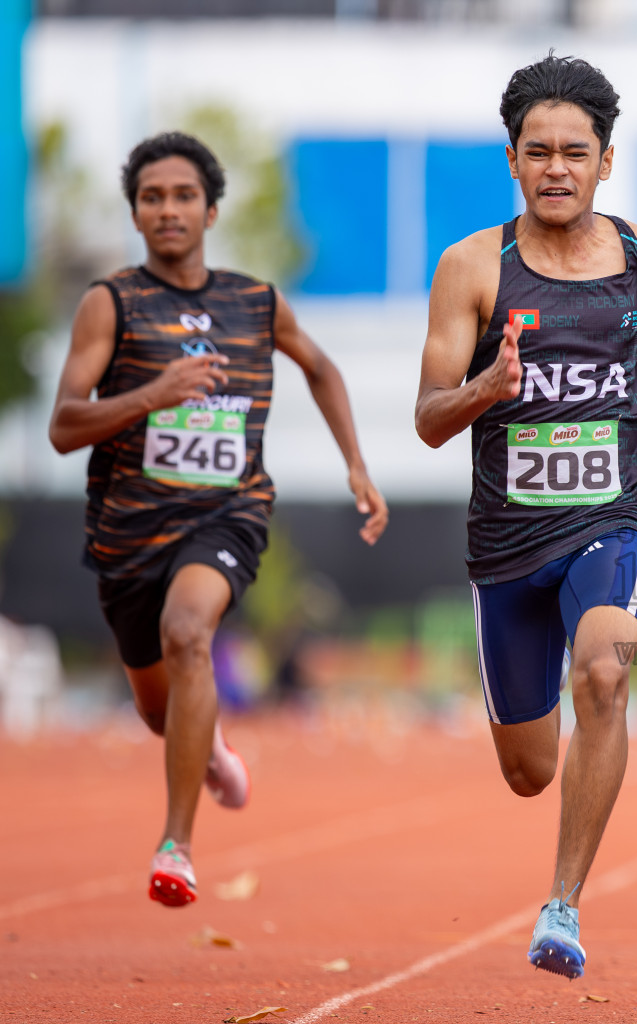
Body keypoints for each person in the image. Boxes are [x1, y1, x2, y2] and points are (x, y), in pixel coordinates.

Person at [414, 54, 637, 980]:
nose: (557, 169)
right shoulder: (472, 267)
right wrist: (487, 387)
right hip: (508, 536)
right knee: (528, 769)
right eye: (538, 151)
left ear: (606, 162)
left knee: (603, 673)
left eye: (574, 153)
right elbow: (429, 419)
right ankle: (535, 746)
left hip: (614, 513)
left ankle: (563, 906)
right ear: (512, 159)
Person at [48, 131, 388, 907]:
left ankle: (177, 845)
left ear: (210, 209)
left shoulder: (255, 301)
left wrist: (357, 465)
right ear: (135, 213)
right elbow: (64, 427)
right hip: (130, 530)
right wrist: (149, 395)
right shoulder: (111, 303)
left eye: (183, 196)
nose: (169, 210)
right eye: (152, 197)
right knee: (160, 706)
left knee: (189, 633)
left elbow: (322, 367)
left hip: (226, 515)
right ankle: (211, 746)